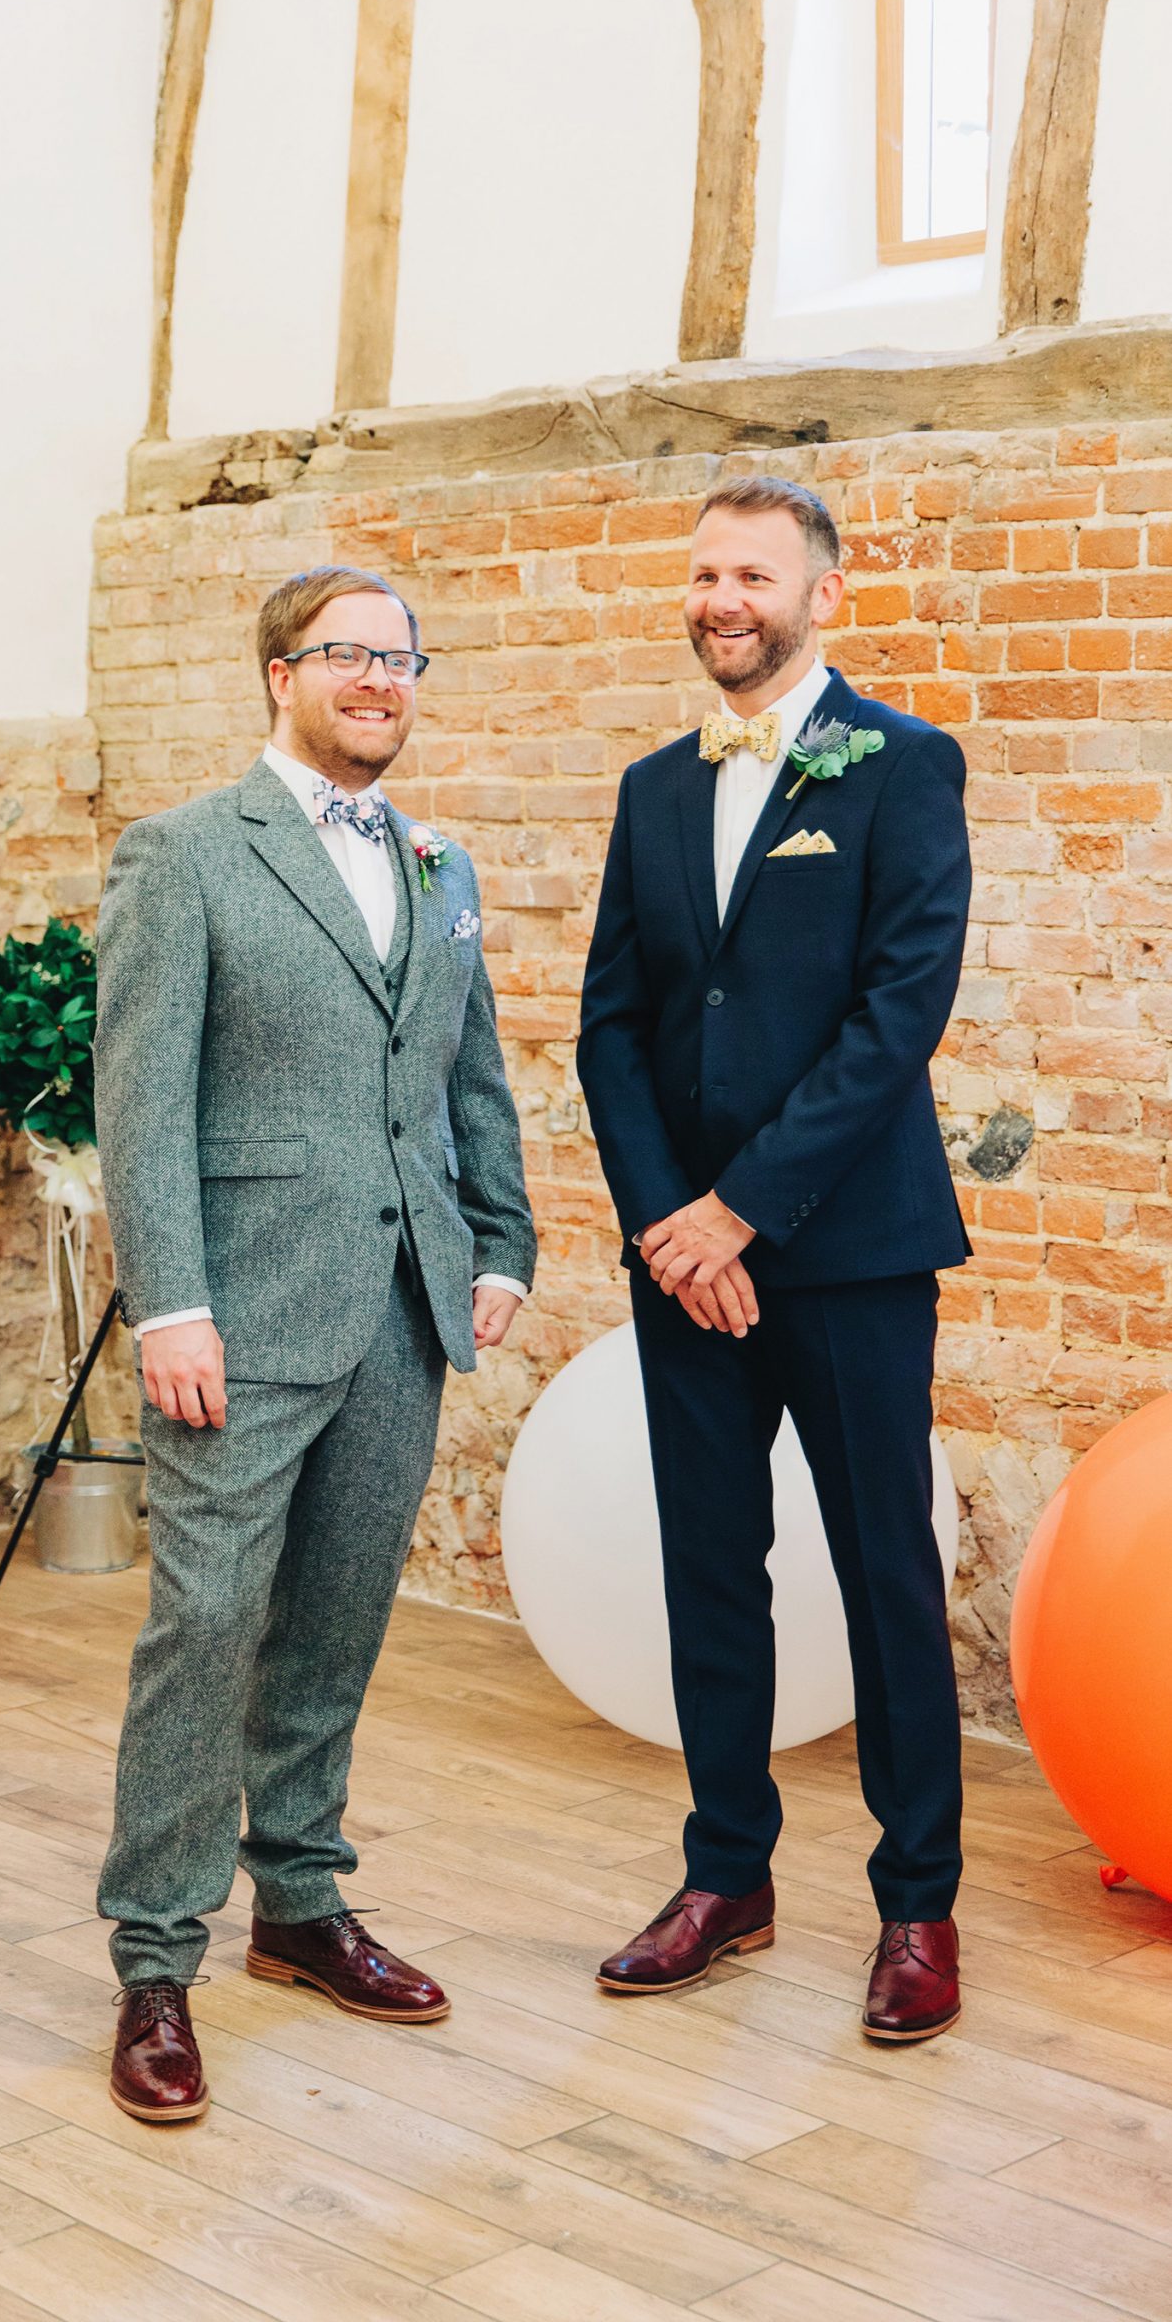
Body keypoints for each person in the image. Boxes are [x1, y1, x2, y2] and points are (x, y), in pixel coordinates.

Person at [93, 563, 536, 2121]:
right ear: (279, 669)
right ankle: (156, 1956)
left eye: (404, 660)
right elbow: (140, 1098)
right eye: (350, 654)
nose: (381, 681)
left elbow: (469, 1073)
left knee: (339, 1619)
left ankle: (298, 1901)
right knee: (205, 1626)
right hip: (241, 1310)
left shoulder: (440, 861)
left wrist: (505, 1243)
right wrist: (171, 1302)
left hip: (404, 1306)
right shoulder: (187, 856)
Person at [577, 473, 971, 2044]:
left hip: (850, 1252)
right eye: (701, 574)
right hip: (685, 1267)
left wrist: (744, 1209)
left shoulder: (904, 768)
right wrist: (674, 1223)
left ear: (822, 593)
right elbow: (613, 1025)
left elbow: (899, 1015)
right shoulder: (653, 788)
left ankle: (919, 1906)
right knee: (709, 1573)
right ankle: (725, 1874)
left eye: (750, 573)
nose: (719, 598)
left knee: (886, 1576)